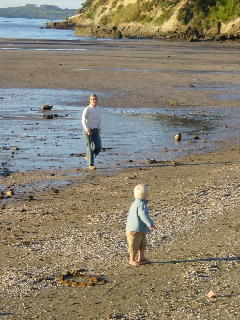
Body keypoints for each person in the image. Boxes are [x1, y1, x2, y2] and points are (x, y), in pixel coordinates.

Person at [126, 184, 156, 266]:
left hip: (141, 229)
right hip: (134, 229)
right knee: (134, 244)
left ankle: (141, 257)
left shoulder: (136, 203)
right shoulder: (140, 205)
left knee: (142, 243)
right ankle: (131, 259)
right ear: (146, 195)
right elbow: (143, 215)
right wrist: (150, 224)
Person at [81, 94, 102, 170]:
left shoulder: (98, 109)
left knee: (98, 147)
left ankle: (88, 157)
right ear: (90, 100)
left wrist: (99, 129)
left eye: (95, 99)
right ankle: (91, 164)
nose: (94, 101)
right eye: (93, 99)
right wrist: (87, 130)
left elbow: (99, 120)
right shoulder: (87, 109)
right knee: (91, 147)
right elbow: (83, 120)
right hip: (88, 130)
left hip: (96, 130)